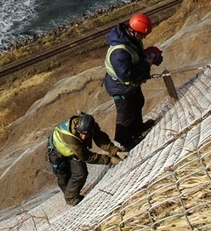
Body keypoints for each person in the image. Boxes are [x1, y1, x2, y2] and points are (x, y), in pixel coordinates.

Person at [102, 13, 163, 150]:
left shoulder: (131, 40)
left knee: (138, 103)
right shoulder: (119, 52)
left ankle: (137, 129)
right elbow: (126, 75)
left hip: (130, 86)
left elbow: (135, 56)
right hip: (121, 88)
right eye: (143, 35)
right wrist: (146, 64)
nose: (144, 38)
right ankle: (123, 144)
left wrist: (148, 56)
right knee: (126, 116)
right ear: (135, 32)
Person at [47, 112, 124, 206]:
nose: (83, 137)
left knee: (80, 173)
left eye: (86, 135)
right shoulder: (70, 137)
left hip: (74, 150)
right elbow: (86, 156)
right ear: (77, 128)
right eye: (81, 134)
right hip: (57, 152)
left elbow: (100, 139)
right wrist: (109, 160)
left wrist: (115, 151)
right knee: (63, 176)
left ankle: (71, 195)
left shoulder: (91, 126)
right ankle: (71, 198)